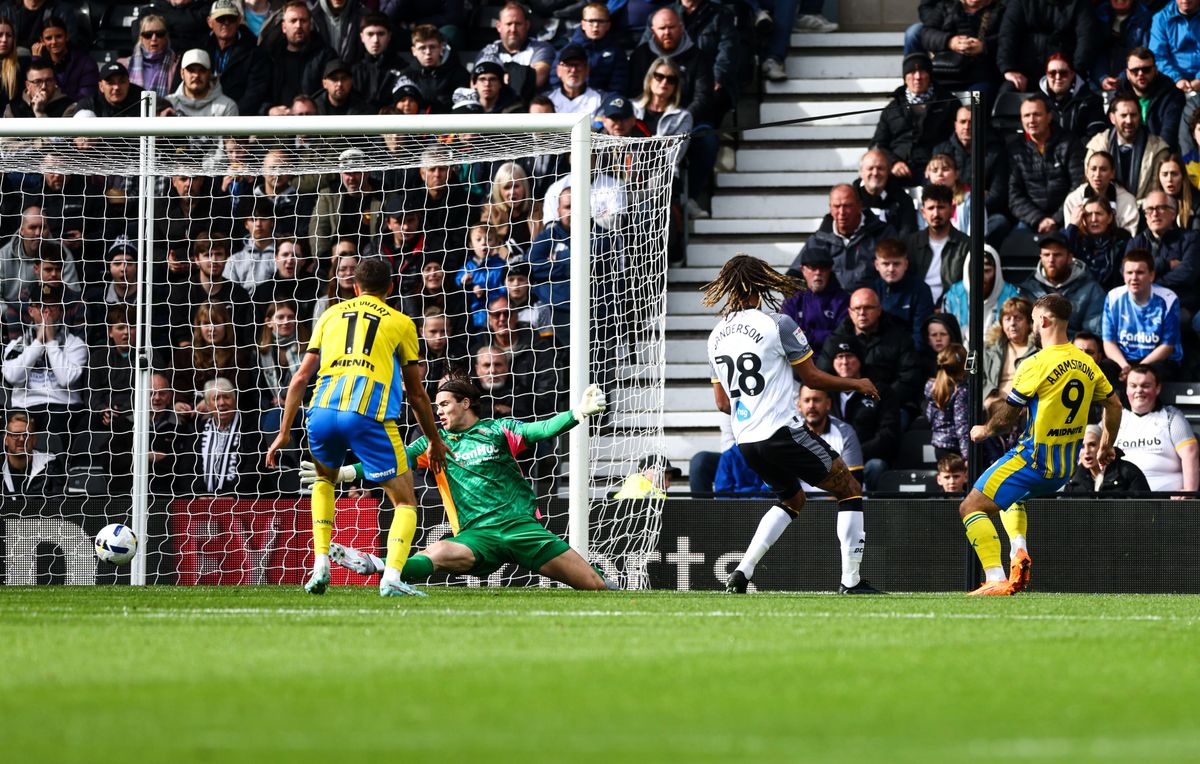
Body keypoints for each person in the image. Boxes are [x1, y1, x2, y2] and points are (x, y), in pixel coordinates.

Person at [311, 377, 613, 590]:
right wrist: (343, 474)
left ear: (465, 403)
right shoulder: (434, 443)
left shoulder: (497, 430)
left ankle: (602, 578)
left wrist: (578, 413)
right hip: (477, 536)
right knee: (438, 552)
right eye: (437, 406)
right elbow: (395, 459)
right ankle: (374, 564)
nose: (438, 412)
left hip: (521, 529)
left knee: (594, 585)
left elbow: (541, 429)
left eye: (444, 404)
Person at [699, 255, 884, 596]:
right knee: (849, 488)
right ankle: (851, 582)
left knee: (792, 498)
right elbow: (811, 376)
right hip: (781, 430)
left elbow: (723, 403)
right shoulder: (778, 324)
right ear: (761, 283)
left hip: (747, 440)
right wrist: (857, 383)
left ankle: (742, 572)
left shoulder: (715, 337)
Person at [265, 257, 449, 597]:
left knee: (324, 480)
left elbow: (300, 377)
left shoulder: (330, 315)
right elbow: (417, 392)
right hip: (367, 415)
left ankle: (320, 563)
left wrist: (283, 431)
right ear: (391, 288)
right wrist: (434, 439)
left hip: (320, 412)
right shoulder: (401, 322)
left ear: (354, 287)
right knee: (405, 500)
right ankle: (392, 577)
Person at [960, 294, 1122, 596]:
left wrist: (985, 429)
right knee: (1011, 498)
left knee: (970, 507)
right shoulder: (1086, 362)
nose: (1034, 326)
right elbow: (1114, 404)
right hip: (1064, 468)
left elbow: (1009, 414)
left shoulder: (1036, 363)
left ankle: (994, 577)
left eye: (1034, 320)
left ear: (1044, 321)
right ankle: (1018, 551)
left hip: (1032, 459)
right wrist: (1105, 445)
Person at [786, 184, 896, 290]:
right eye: (836, 206)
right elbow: (793, 279)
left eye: (847, 206)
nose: (842, 212)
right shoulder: (818, 240)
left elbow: (898, 273)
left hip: (870, 305)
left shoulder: (883, 234)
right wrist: (813, 302)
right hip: (829, 307)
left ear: (859, 206)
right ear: (830, 208)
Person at [871, 53, 957, 187]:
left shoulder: (948, 102)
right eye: (912, 72)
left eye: (922, 71)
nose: (917, 77)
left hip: (935, 169)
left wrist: (940, 158)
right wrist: (893, 162)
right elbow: (877, 145)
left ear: (929, 75)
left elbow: (957, 136)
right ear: (905, 78)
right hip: (898, 170)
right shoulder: (892, 109)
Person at [1112, 365, 1198, 493]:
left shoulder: (1171, 417)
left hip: (1166, 502)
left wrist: (1189, 491)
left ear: (1157, 388)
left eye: (1145, 385)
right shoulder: (1115, 418)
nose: (1139, 390)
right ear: (1126, 389)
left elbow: (1190, 453)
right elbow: (1093, 439)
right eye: (1133, 386)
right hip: (1123, 501)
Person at [1007, 94, 1085, 233]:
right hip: (1032, 220)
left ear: (1049, 117)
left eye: (1037, 114)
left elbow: (1078, 186)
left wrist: (1056, 219)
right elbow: (1014, 196)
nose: (1031, 120)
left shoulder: (1069, 143)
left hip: (1066, 217)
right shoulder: (1015, 150)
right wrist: (1039, 219)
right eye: (1026, 115)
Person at [1102, 249, 1183, 382]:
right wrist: (1125, 366)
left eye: (1139, 272)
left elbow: (1168, 346)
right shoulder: (1113, 297)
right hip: (1124, 361)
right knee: (1104, 368)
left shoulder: (1168, 298)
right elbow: (1109, 342)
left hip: (1157, 360)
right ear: (1123, 275)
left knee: (1154, 373)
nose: (1134, 278)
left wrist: (1138, 369)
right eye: (1129, 273)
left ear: (1151, 275)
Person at [1019, 231, 1106, 336]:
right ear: (1040, 257)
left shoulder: (1091, 290)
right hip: (1036, 349)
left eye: (1057, 255)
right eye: (1046, 255)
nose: (1051, 260)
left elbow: (1092, 334)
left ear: (1069, 258)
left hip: (1073, 349)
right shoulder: (1027, 289)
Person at [1085, 93, 1170, 200]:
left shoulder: (1158, 149)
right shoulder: (1097, 146)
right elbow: (1091, 187)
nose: (1129, 121)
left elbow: (1156, 192)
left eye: (1133, 115)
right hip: (1105, 211)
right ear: (1112, 118)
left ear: (1140, 116)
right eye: (1123, 115)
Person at [203, 0, 272, 117]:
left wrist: (231, 119)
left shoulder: (256, 54)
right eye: (220, 19)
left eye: (231, 18)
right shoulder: (198, 48)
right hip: (200, 119)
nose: (226, 23)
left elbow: (254, 95)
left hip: (239, 123)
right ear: (210, 22)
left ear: (239, 20)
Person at [906, 183, 969, 303]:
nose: (935, 214)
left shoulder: (966, 245)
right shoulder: (911, 243)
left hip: (953, 309)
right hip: (917, 309)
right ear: (923, 212)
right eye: (931, 208)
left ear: (952, 209)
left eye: (941, 207)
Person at [780, 247, 849, 355]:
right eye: (813, 268)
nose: (818, 273)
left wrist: (808, 335)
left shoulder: (843, 300)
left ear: (830, 270)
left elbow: (842, 337)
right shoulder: (792, 300)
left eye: (823, 268)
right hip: (797, 361)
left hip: (833, 360)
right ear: (803, 270)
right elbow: (785, 336)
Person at [870, 238, 934, 347]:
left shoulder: (920, 290)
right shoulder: (870, 291)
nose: (891, 269)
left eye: (896, 264)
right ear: (877, 265)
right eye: (885, 264)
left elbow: (920, 334)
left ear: (906, 264)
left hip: (909, 354)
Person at [1120, 47, 1185, 149]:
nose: (1140, 74)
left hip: (1161, 155)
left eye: (1146, 70)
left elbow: (1169, 136)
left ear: (1155, 70)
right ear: (1127, 74)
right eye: (1135, 71)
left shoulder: (1172, 95)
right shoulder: (1119, 97)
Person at [1062, 151, 1139, 236]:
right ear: (1087, 172)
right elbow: (1069, 239)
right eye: (1093, 169)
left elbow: (1130, 237)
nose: (1097, 174)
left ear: (1112, 173)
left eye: (1103, 169)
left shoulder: (1127, 201)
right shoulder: (1073, 200)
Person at [1039, 53, 1106, 143]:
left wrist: (1070, 151)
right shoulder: (1037, 102)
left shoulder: (1091, 101)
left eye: (1063, 73)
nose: (1058, 77)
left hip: (1081, 154)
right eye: (1052, 73)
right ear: (1046, 75)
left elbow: (1096, 138)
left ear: (1072, 74)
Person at [1065, 423, 1150, 494]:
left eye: (1092, 445)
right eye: (1082, 446)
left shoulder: (1128, 472)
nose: (1086, 451)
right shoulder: (1073, 478)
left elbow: (1143, 510)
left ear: (1103, 446)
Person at [1, 411, 65, 505]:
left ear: (34, 439)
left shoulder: (50, 465)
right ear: (6, 439)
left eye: (26, 434)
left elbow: (58, 504)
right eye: (15, 435)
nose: (22, 439)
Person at [855, 149, 918, 237]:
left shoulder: (903, 201)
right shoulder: (850, 199)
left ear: (888, 172)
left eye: (880, 168)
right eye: (870, 168)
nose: (875, 173)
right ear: (861, 173)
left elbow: (907, 236)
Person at [925, 343, 971, 461]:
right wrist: (967, 457)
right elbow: (962, 424)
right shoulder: (960, 391)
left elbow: (930, 416)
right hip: (955, 448)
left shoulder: (931, 386)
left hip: (938, 444)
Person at [124, 13, 179, 101]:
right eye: (148, 35)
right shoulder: (124, 65)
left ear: (166, 37)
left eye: (159, 34)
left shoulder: (177, 65)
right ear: (141, 38)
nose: (154, 38)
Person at [614, 454, 683, 499]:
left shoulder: (622, 493)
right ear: (643, 472)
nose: (667, 484)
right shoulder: (658, 500)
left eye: (669, 479)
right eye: (661, 478)